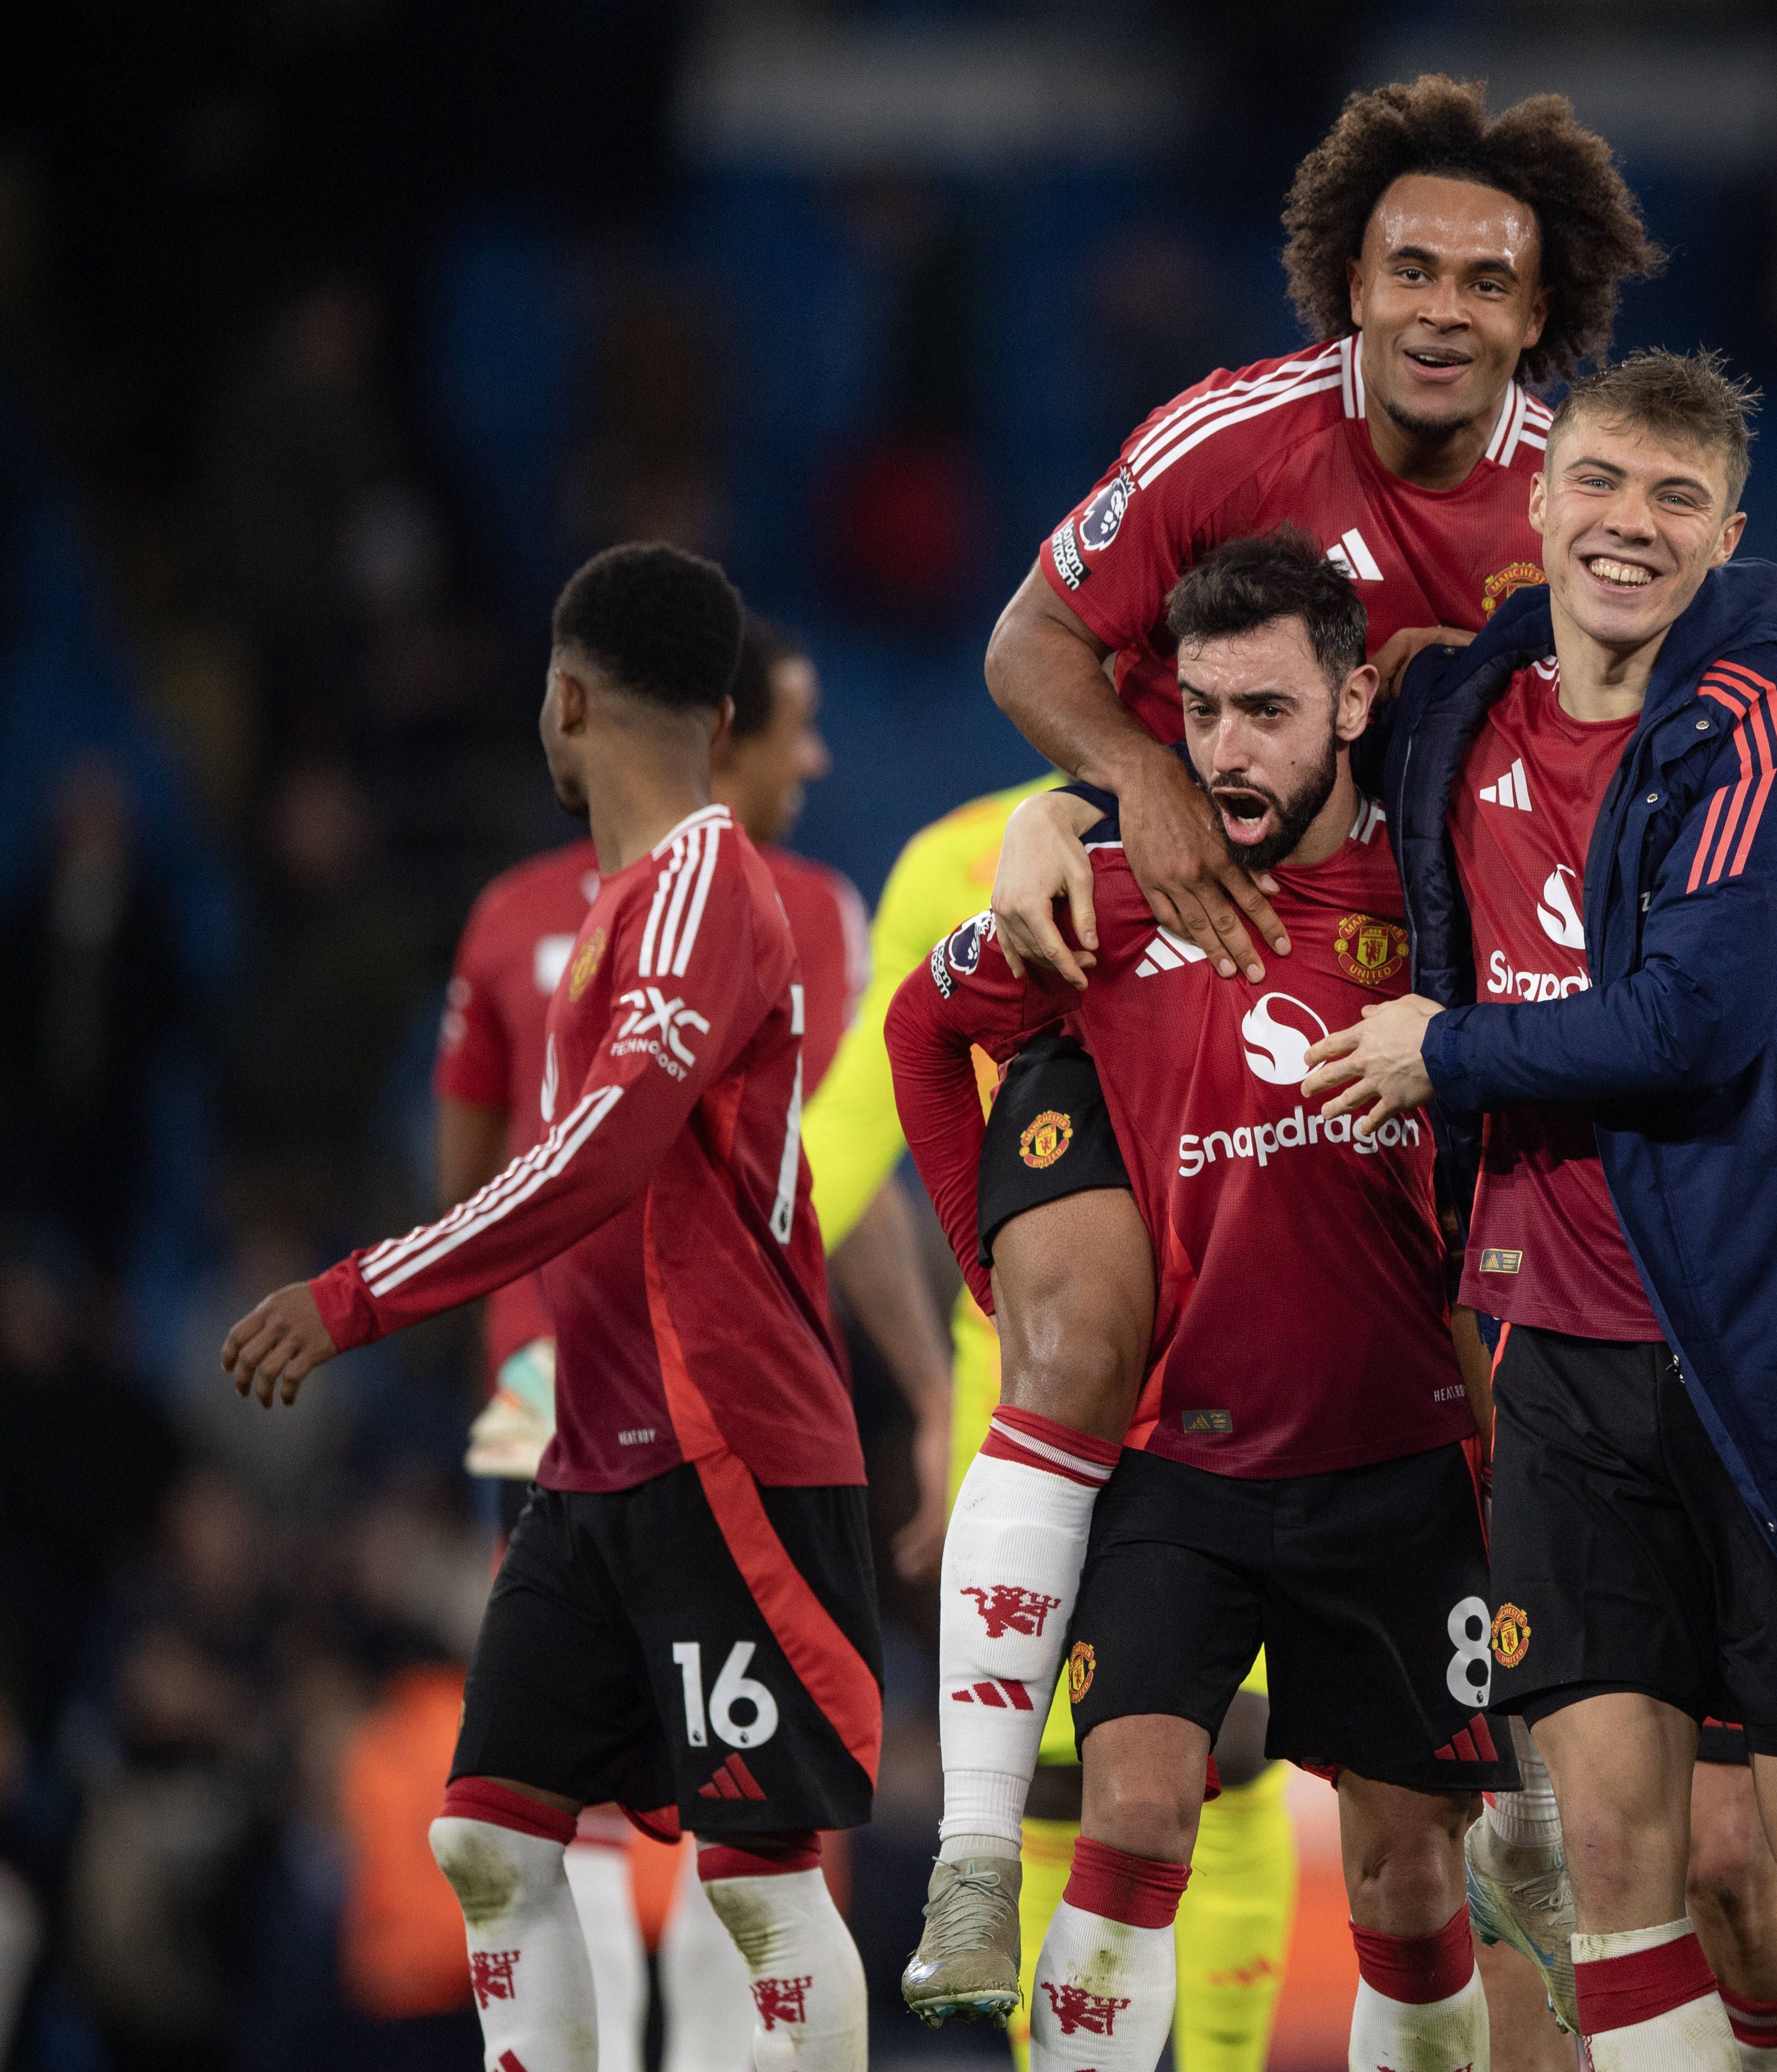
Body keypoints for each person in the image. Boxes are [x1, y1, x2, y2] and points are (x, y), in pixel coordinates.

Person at [911, 72, 1661, 2014]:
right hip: (1158, 933)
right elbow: (1023, 648)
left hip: (1423, 978)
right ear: (1344, 277)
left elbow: (1659, 743)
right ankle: (977, 1846)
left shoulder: (1576, 489)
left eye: (1482, 280)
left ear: (1536, 308)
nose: (1435, 305)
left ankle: (1526, 1776)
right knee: (1078, 1323)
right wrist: (1123, 786)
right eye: (1403, 264)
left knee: (1503, 1358)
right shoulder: (1225, 438)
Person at [1291, 346, 1777, 2072]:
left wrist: (1442, 1048)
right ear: (1540, 501)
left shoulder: (1773, 731)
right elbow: (1253, 768)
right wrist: (1065, 822)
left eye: (1675, 498)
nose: (1627, 525)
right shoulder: (1455, 714)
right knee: (1618, 1871)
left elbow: (1691, 1025)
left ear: (1723, 534)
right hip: (1562, 1367)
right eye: (1599, 481)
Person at [219, 542, 880, 2072]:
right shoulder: (614, 905)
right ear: (725, 714)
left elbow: (593, 1157)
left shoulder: (709, 884)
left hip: (728, 1449)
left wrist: (354, 1293)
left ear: (564, 701)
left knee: (759, 1880)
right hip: (590, 1447)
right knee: (490, 1841)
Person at [888, 531, 1511, 2072]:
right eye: (1202, 714)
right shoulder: (1106, 904)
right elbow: (918, 1027)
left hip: (1401, 1464)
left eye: (1265, 713)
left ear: (1354, 701)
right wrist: (988, 1271)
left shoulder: (1440, 895)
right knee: (1136, 1812)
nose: (1224, 754)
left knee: (1407, 1872)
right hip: (1183, 1472)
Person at [428, 611, 938, 2071]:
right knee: (585, 1800)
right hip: (619, 1407)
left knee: (685, 1807)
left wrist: (909, 1384)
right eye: (797, 726)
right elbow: (474, 1182)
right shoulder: (561, 914)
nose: (819, 757)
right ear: (719, 730)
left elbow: (816, 1164)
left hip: (661, 1404)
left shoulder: (749, 909)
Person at [798, 774, 1308, 2069]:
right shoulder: (1261, 816)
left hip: (1029, 1380)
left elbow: (835, 1159)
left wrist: (929, 1369)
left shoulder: (955, 850)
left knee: (1065, 1786)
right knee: (1227, 1757)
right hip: (1234, 1362)